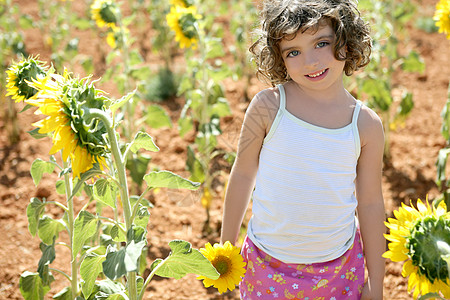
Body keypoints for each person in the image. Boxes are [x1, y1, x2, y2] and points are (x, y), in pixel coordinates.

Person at [220, 0, 385, 299]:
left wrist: (377, 281)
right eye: (293, 52)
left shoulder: (365, 125)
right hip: (266, 264)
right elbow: (243, 174)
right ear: (279, 59)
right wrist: (226, 250)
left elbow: (371, 203)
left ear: (347, 42)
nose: (310, 61)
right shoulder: (268, 107)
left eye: (321, 43)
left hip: (338, 268)